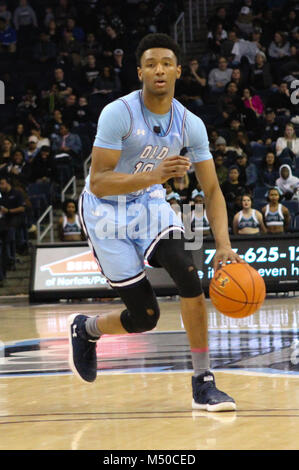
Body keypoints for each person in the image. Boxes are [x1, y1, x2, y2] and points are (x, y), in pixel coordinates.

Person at [68, 33, 242, 412]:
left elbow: (212, 191)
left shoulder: (189, 124)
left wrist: (224, 245)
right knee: (145, 317)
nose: (159, 69)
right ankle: (87, 328)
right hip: (105, 211)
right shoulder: (119, 113)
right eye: (150, 64)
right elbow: (97, 181)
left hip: (148, 204)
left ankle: (203, 380)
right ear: (140, 72)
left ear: (179, 70)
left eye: (166, 63)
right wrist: (156, 175)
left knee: (187, 272)